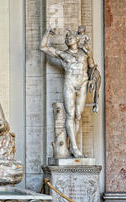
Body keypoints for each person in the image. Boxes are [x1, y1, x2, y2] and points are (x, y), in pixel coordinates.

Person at [40, 27, 97, 158]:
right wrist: (47, 32)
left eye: (71, 36)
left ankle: (71, 145)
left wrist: (93, 80)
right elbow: (43, 47)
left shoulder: (85, 53)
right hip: (70, 84)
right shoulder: (63, 54)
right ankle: (75, 148)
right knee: (70, 114)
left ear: (77, 39)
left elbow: (92, 68)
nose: (68, 38)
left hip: (82, 83)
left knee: (78, 115)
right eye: (66, 37)